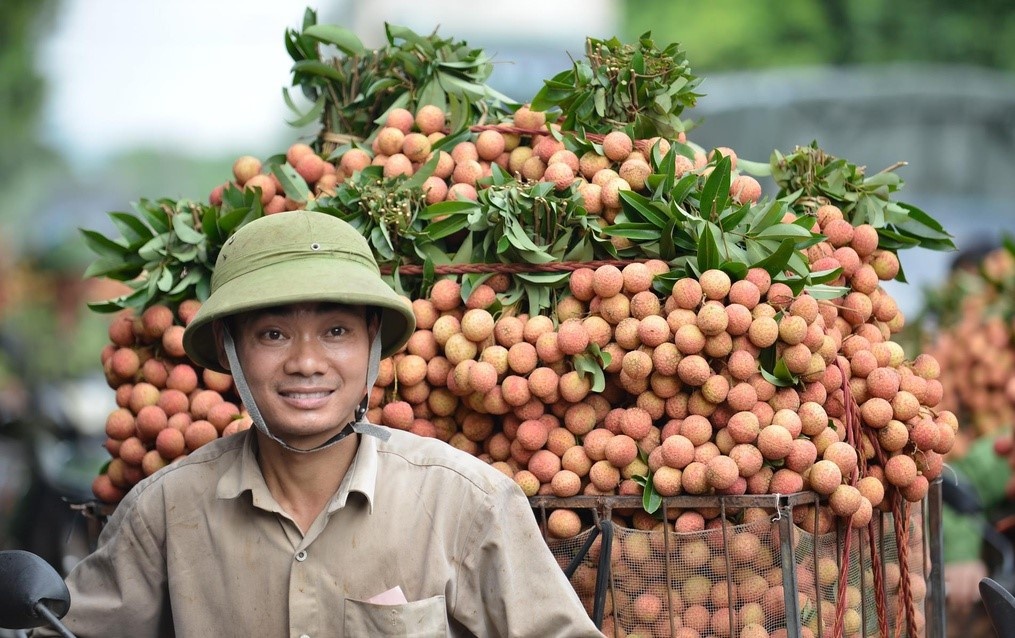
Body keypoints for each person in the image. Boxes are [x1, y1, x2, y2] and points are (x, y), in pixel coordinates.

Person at [36, 210, 601, 637]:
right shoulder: (165, 510)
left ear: (373, 347)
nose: (306, 362)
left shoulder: (467, 504)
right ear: (231, 352)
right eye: (273, 334)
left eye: (336, 332)